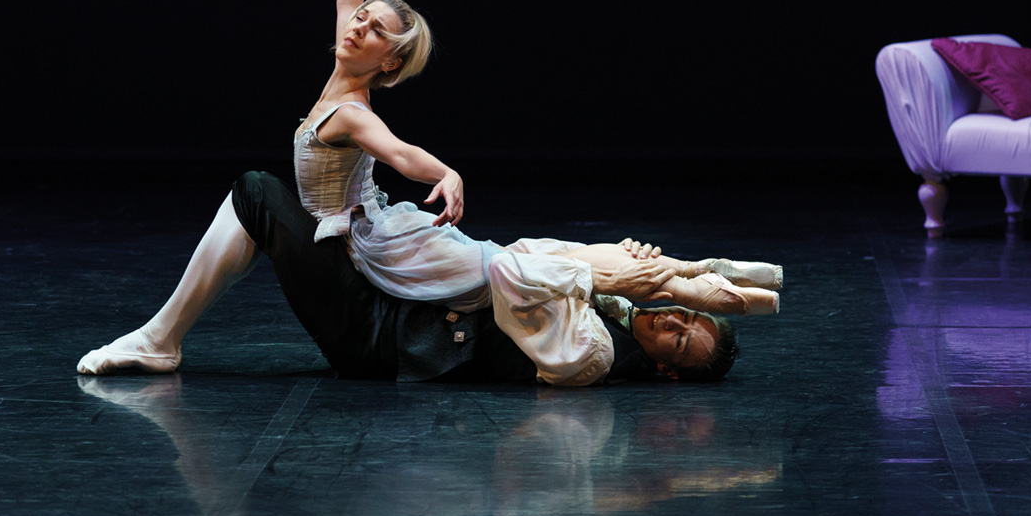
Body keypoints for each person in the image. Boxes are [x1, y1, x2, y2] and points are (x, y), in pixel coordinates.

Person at [287, 0, 780, 320]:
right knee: (549, 254)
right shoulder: (347, 60)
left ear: (390, 63)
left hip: (393, 249)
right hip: (395, 235)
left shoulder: (351, 109)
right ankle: (712, 275)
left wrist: (445, 174)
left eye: (374, 29)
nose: (357, 26)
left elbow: (397, 152)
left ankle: (713, 292)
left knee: (550, 265)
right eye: (362, 19)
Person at [79, 171, 740, 385]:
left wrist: (607, 272)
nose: (672, 320)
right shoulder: (624, 311)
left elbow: (523, 269)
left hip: (382, 336)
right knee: (316, 188)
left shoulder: (601, 353)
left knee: (259, 194)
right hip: (404, 298)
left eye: (680, 339)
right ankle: (160, 338)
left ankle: (161, 339)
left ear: (666, 372)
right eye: (685, 314)